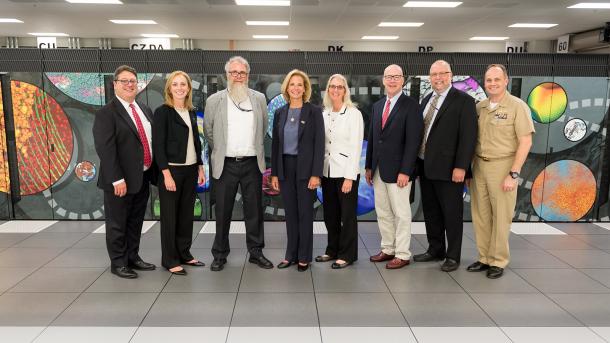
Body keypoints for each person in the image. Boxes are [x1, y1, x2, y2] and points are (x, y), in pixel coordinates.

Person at [203, 56, 273, 271]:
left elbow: (262, 129)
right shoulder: (214, 100)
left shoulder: (259, 98)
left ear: (248, 75)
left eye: (242, 73)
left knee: (254, 211)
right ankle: (220, 254)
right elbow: (209, 132)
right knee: (223, 211)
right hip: (226, 165)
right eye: (234, 72)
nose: (238, 76)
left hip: (252, 163)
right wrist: (224, 150)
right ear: (227, 75)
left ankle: (256, 252)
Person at [468, 64, 534, 279]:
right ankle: (484, 257)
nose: (492, 84)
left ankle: (498, 260)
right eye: (488, 80)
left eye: (497, 79)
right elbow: (473, 141)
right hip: (479, 165)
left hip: (503, 166)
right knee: (481, 215)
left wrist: (513, 173)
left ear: (506, 80)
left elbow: (525, 141)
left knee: (501, 215)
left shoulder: (517, 106)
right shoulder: (480, 107)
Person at [92, 65, 157, 279]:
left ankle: (132, 257)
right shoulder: (106, 113)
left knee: (135, 221)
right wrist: (116, 179)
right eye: (124, 81)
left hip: (141, 177)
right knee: (117, 223)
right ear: (115, 84)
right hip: (120, 181)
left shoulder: (144, 109)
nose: (130, 85)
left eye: (133, 81)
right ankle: (118, 262)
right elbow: (106, 149)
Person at [413, 60, 478, 272]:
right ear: (429, 77)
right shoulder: (426, 99)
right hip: (426, 166)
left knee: (451, 213)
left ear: (451, 75)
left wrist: (461, 167)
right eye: (434, 74)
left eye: (442, 73)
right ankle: (435, 249)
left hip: (451, 169)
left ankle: (453, 255)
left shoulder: (464, 101)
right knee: (431, 211)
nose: (438, 78)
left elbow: (468, 137)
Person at [365, 64, 423, 269]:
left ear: (403, 80)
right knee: (383, 211)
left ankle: (402, 253)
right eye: (388, 77)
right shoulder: (378, 105)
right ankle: (388, 249)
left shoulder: (411, 106)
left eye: (396, 77)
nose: (392, 80)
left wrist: (406, 171)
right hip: (379, 169)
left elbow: (413, 142)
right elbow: (373, 137)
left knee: (401, 213)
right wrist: (369, 166)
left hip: (399, 172)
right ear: (383, 80)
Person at [153, 71, 206, 275]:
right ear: (169, 88)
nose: (179, 88)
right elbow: (158, 145)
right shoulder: (163, 112)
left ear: (188, 88)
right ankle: (170, 259)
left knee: (186, 215)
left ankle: (184, 253)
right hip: (171, 171)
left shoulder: (191, 111)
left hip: (191, 170)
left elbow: (195, 143)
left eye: (183, 84)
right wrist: (166, 174)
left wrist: (200, 167)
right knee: (170, 217)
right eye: (175, 84)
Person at [271, 69, 325, 272]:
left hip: (306, 170)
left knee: (305, 214)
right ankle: (290, 255)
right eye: (292, 84)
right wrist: (275, 173)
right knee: (291, 214)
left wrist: (315, 174)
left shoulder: (314, 112)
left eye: (299, 85)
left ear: (305, 89)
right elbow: (276, 144)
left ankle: (304, 256)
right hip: (285, 168)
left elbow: (319, 145)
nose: (295, 88)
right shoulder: (280, 113)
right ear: (286, 88)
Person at [316, 74, 363, 269]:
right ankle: (332, 249)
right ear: (328, 90)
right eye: (332, 86)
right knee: (330, 215)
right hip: (327, 172)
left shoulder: (353, 114)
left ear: (345, 90)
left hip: (345, 173)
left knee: (347, 216)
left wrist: (349, 177)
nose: (335, 90)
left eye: (339, 87)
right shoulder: (324, 113)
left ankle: (347, 254)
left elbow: (356, 147)